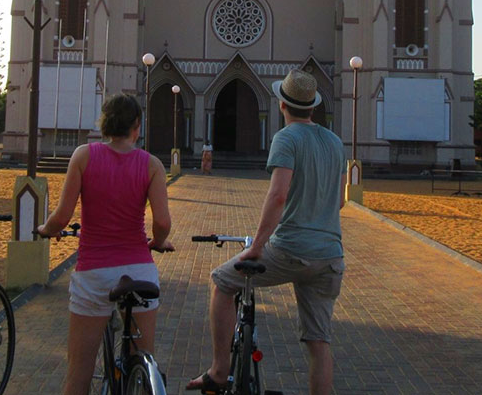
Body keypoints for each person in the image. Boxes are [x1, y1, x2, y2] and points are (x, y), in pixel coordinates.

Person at [187, 69, 345, 395]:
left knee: (222, 281)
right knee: (319, 342)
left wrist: (256, 246)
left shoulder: (286, 138)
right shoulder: (334, 142)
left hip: (291, 248)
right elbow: (339, 199)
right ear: (313, 107)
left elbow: (277, 196)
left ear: (281, 105)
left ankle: (219, 371)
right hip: (330, 255)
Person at [37, 94, 173, 395]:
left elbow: (62, 217)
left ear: (105, 124)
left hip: (94, 273)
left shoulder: (84, 156)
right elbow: (162, 222)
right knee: (143, 357)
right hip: (139, 269)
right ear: (137, 127)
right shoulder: (151, 164)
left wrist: (46, 229)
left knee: (79, 373)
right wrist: (157, 242)